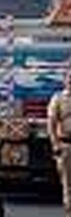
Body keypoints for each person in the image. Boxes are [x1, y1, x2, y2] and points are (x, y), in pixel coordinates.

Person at [48, 69, 71, 217]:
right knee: (68, 184)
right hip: (66, 146)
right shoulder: (58, 99)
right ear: (65, 80)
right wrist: (55, 145)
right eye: (69, 78)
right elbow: (51, 124)